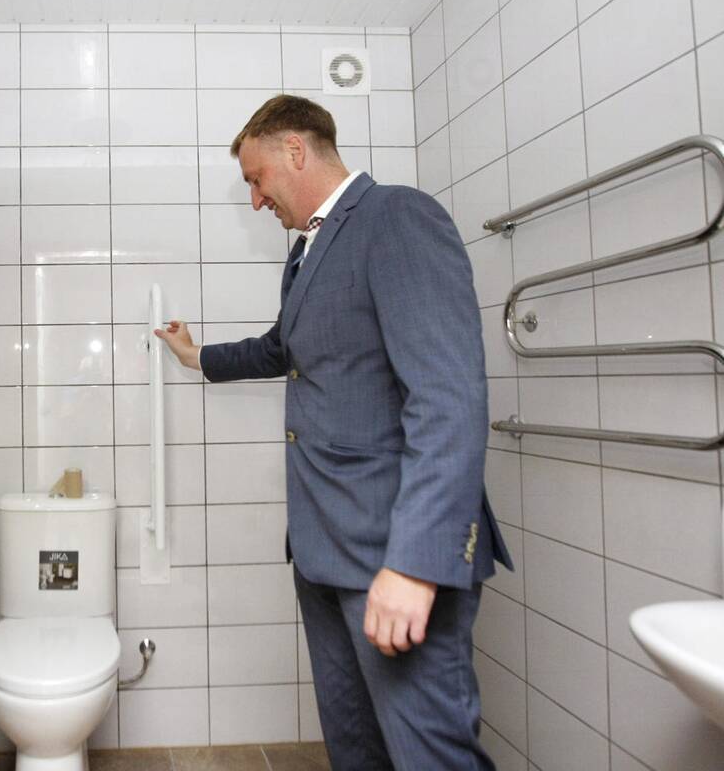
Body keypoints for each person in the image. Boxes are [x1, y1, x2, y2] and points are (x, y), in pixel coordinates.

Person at [155, 94, 513, 770]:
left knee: (427, 754)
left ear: (295, 150)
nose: (255, 200)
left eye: (256, 179)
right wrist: (195, 356)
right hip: (323, 546)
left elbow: (447, 399)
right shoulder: (308, 252)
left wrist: (414, 564)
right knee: (356, 747)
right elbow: (281, 348)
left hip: (392, 549)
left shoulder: (396, 218)